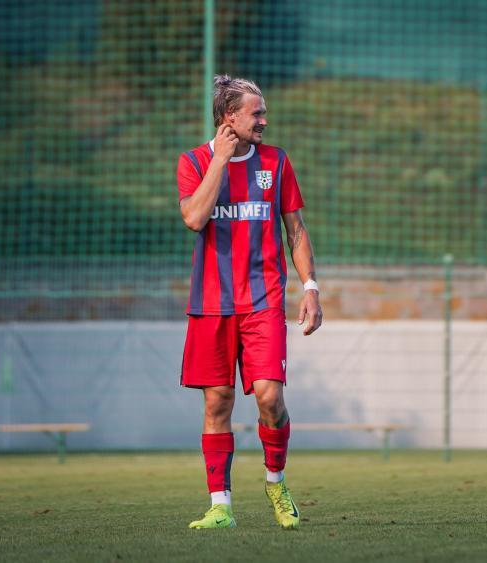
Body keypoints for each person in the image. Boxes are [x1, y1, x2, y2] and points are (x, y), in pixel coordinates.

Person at [176, 75, 322, 530]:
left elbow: (295, 231)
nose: (264, 120)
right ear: (229, 117)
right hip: (211, 306)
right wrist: (219, 161)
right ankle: (220, 506)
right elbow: (195, 217)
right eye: (256, 113)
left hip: (263, 302)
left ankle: (275, 482)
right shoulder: (194, 161)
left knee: (269, 397)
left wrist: (311, 287)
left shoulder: (276, 162)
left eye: (263, 112)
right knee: (217, 405)